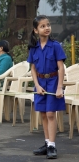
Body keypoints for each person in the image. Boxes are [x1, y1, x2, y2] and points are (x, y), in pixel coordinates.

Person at [27, 15, 66, 159]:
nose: (47, 28)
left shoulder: (55, 46)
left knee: (50, 114)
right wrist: (36, 85)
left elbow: (61, 68)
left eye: (48, 25)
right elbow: (32, 68)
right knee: (43, 113)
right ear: (36, 30)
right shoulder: (34, 47)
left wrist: (59, 87)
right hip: (40, 83)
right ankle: (47, 142)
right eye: (42, 26)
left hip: (53, 82)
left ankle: (52, 146)